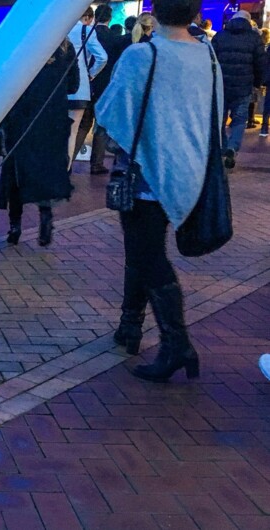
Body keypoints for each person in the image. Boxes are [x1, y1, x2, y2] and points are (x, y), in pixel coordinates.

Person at [96, 0, 216, 382]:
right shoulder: (207, 57)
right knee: (142, 250)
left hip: (147, 171)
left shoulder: (142, 54)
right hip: (190, 172)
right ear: (195, 13)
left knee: (147, 255)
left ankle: (176, 343)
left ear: (156, 13)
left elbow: (111, 111)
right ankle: (129, 327)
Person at [0, 36, 78, 248]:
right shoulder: (66, 49)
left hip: (22, 119)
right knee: (46, 171)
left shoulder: (23, 46)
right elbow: (74, 85)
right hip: (53, 120)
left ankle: (15, 226)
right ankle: (45, 216)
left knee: (16, 172)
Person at [212, 9, 264, 169]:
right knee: (239, 120)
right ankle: (232, 148)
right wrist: (257, 83)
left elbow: (211, 59)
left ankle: (221, 148)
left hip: (222, 86)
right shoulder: (254, 38)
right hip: (243, 87)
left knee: (219, 119)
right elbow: (260, 63)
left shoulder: (220, 35)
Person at [73, 3, 118, 175]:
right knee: (100, 126)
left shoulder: (84, 32)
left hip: (83, 85)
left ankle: (69, 160)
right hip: (104, 86)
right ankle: (97, 163)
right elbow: (105, 59)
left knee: (81, 125)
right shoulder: (115, 38)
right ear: (110, 18)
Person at [66, 6, 107, 169]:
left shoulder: (60, 30)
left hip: (57, 87)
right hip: (79, 87)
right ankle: (65, 173)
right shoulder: (86, 30)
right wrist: (91, 74)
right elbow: (102, 57)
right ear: (88, 17)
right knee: (72, 132)